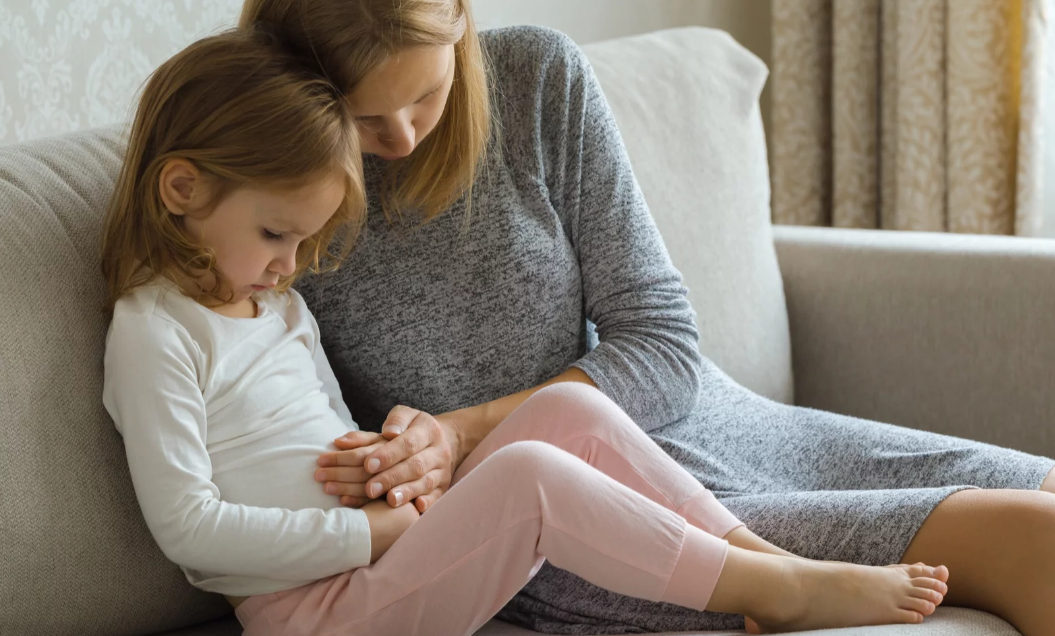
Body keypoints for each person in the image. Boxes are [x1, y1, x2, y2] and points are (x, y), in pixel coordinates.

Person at [98, 23, 952, 636]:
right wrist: (376, 530)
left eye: (304, 240)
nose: (295, 263)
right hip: (315, 612)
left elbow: (324, 433)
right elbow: (192, 534)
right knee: (532, 476)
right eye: (277, 235)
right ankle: (779, 591)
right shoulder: (154, 333)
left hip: (383, 556)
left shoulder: (276, 305)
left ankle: (770, 568)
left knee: (566, 414)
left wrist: (386, 459)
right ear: (181, 191)